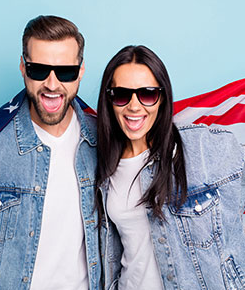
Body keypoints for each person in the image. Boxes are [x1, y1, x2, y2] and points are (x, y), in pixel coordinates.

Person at [0, 15, 101, 290]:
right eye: (39, 70)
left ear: (81, 70)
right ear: (22, 67)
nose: (52, 85)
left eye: (65, 72)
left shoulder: (106, 142)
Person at [96, 45, 245, 289]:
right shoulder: (102, 167)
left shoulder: (204, 148)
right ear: (109, 99)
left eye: (147, 94)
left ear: (162, 98)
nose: (134, 106)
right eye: (122, 94)